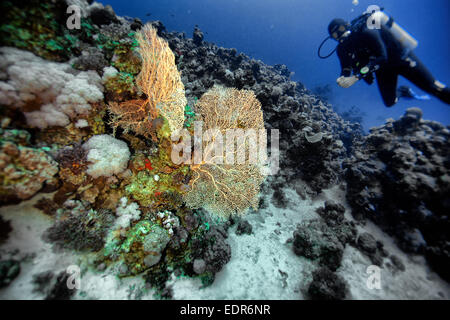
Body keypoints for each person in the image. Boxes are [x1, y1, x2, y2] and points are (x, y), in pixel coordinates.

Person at [327, 17, 450, 106]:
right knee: (389, 102)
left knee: (434, 88)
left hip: (402, 59)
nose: (340, 34)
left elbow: (382, 57)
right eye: (335, 35)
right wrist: (342, 78)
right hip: (383, 70)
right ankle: (403, 91)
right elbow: (345, 68)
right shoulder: (342, 49)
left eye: (341, 29)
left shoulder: (367, 31)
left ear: (347, 25)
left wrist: (357, 76)